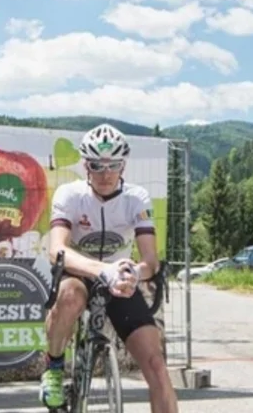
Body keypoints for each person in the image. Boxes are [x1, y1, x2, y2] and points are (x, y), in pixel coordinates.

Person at [38, 124, 178, 412]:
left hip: (121, 282)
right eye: (96, 165)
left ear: (123, 165)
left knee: (157, 366)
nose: (105, 173)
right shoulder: (70, 194)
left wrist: (136, 273)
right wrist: (103, 269)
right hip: (79, 274)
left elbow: (150, 259)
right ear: (85, 165)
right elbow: (57, 250)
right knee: (69, 296)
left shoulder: (136, 198)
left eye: (112, 165)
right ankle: (53, 367)